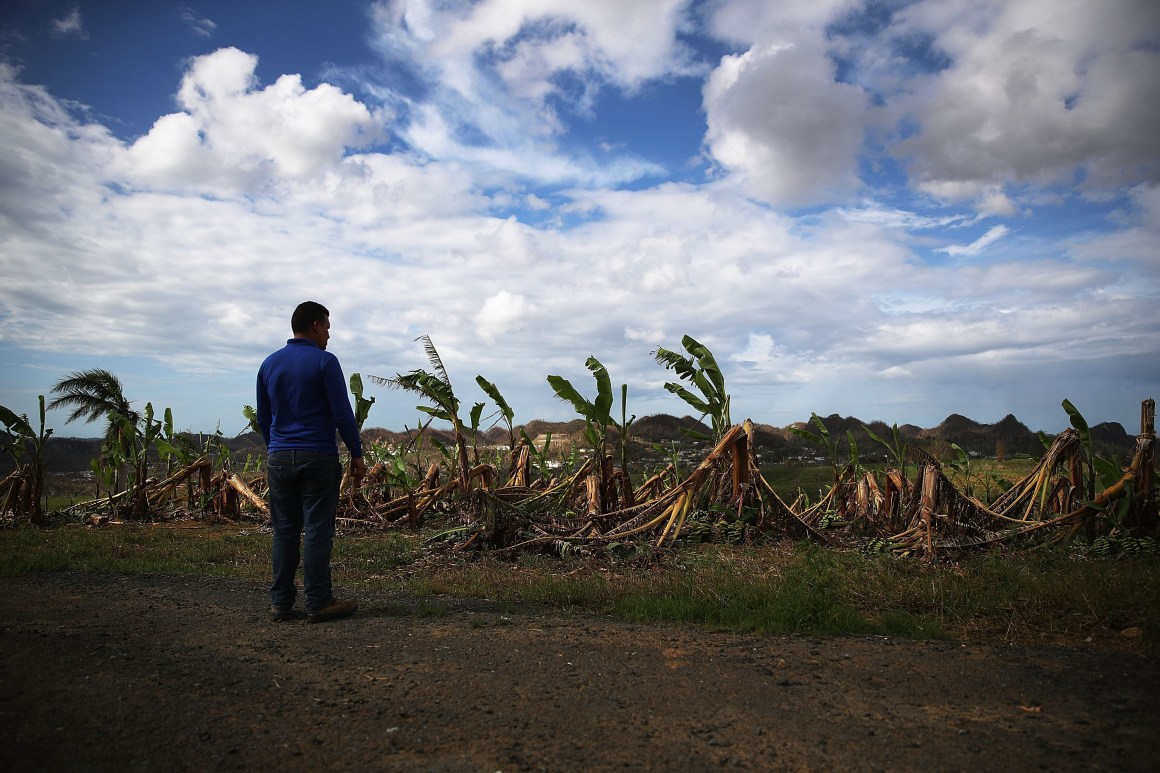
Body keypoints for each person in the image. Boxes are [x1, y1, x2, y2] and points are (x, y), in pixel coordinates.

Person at [256, 301, 367, 623]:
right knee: (318, 529)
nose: (329, 335)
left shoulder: (269, 363)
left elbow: (265, 416)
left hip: (279, 456)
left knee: (284, 532)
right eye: (328, 327)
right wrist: (356, 453)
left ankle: (281, 602)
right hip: (317, 456)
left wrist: (277, 447)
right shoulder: (325, 362)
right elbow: (342, 413)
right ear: (316, 325)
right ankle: (319, 601)